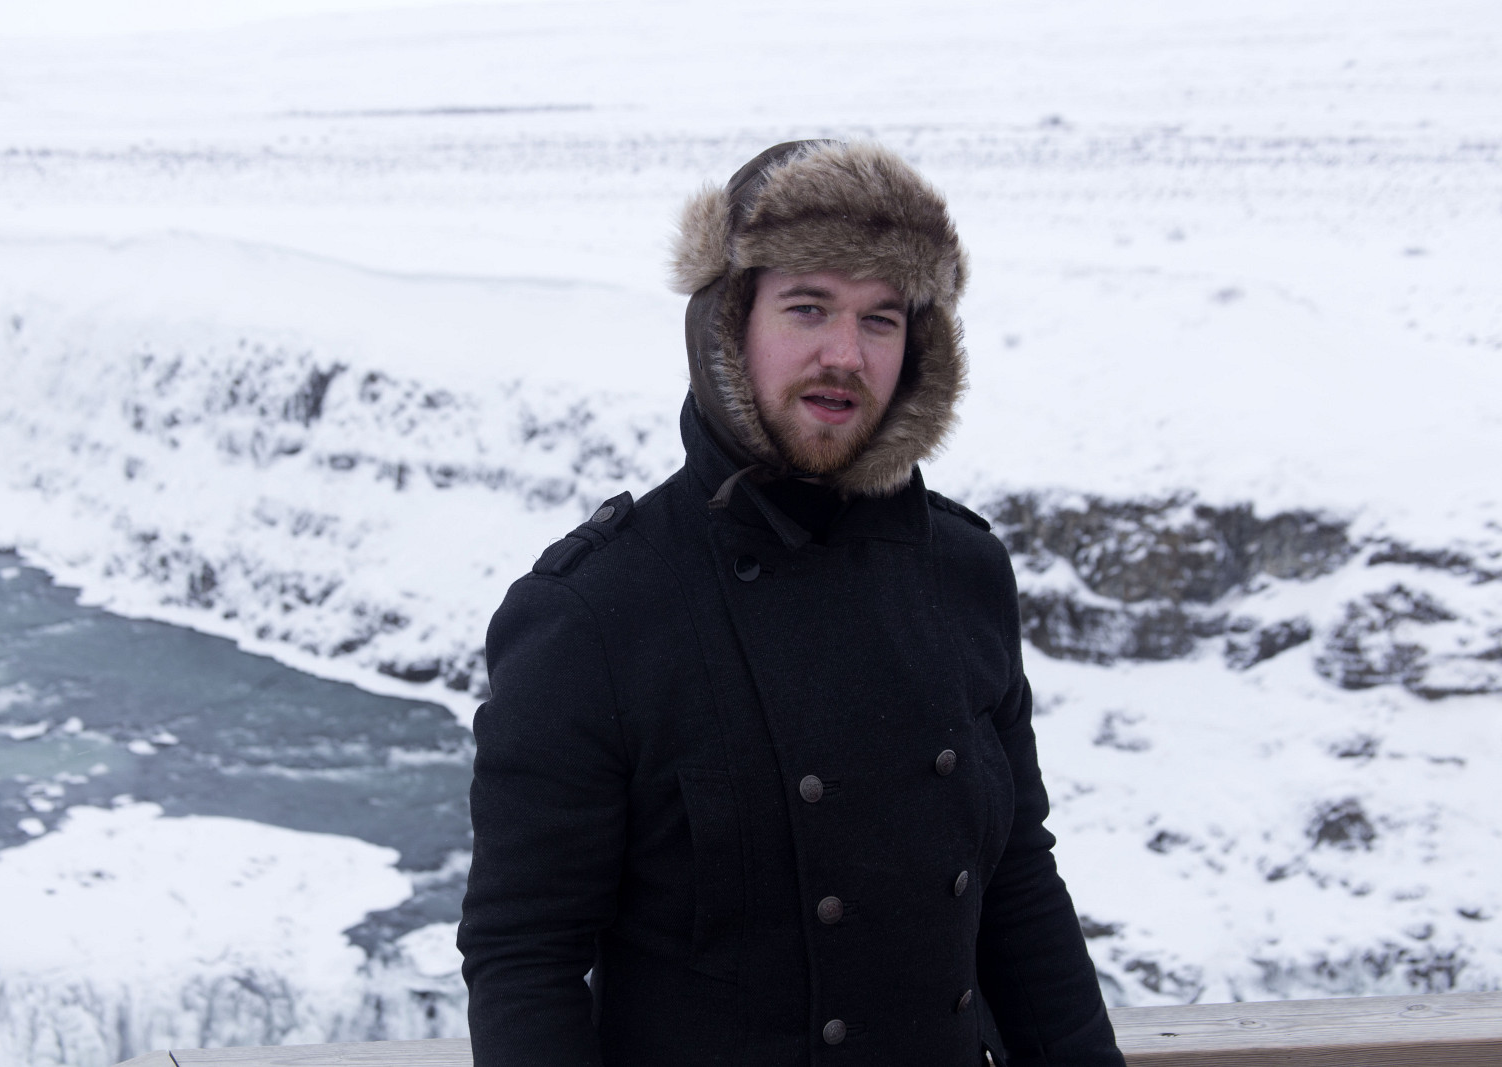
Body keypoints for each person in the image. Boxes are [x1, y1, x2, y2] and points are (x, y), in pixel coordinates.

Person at [458, 140, 1124, 1067]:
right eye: (808, 306)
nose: (845, 354)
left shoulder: (964, 573)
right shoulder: (597, 613)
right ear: (727, 325)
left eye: (880, 318)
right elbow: (524, 956)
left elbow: (1015, 882)